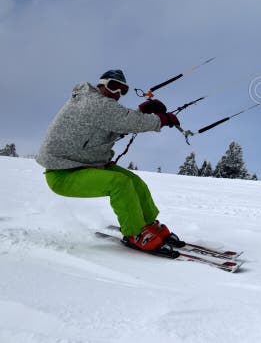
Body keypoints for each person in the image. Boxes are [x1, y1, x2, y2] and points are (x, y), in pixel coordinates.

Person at [37, 69, 182, 252]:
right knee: (119, 183)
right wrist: (160, 120)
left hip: (89, 165)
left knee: (135, 182)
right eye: (113, 87)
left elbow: (114, 125)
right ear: (101, 85)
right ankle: (134, 233)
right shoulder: (92, 101)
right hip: (63, 173)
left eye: (123, 90)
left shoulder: (101, 106)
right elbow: (123, 120)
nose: (117, 93)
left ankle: (148, 224)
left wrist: (141, 111)